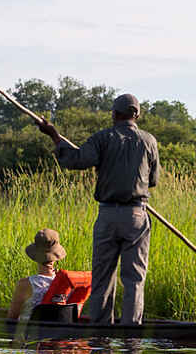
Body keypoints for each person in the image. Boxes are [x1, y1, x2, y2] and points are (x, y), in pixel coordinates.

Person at [36, 93, 159, 325]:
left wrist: (54, 135)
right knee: (134, 278)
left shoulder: (103, 138)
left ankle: (102, 329)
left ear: (114, 114)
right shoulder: (149, 141)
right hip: (136, 215)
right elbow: (152, 180)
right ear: (137, 115)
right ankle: (130, 330)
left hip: (108, 216)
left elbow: (76, 160)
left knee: (103, 276)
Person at [8, 229, 66, 321]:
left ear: (35, 256)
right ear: (56, 257)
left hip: (29, 332)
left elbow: (12, 317)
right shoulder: (66, 282)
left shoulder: (25, 284)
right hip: (59, 330)